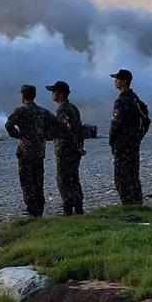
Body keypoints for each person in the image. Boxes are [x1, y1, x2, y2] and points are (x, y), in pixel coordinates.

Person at [5, 85, 62, 218]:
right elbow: (58, 124)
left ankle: (32, 210)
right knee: (38, 181)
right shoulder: (42, 111)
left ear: (23, 96)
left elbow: (9, 125)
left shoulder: (20, 111)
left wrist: (20, 137)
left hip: (26, 152)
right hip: (39, 151)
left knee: (27, 182)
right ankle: (39, 209)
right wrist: (45, 136)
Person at [109, 68, 150, 206]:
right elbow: (146, 121)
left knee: (122, 177)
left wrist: (112, 142)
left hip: (122, 144)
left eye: (117, 79)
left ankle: (128, 205)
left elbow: (116, 125)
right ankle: (138, 203)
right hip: (133, 143)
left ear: (124, 81)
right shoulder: (136, 99)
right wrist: (138, 137)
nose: (115, 81)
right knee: (133, 175)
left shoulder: (122, 101)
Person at [46, 80, 86, 215]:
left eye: (54, 92)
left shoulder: (63, 109)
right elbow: (78, 130)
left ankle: (68, 208)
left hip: (66, 149)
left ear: (61, 94)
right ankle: (78, 206)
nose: (52, 94)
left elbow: (67, 130)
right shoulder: (73, 107)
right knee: (74, 177)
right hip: (74, 149)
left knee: (63, 178)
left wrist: (77, 147)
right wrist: (80, 146)